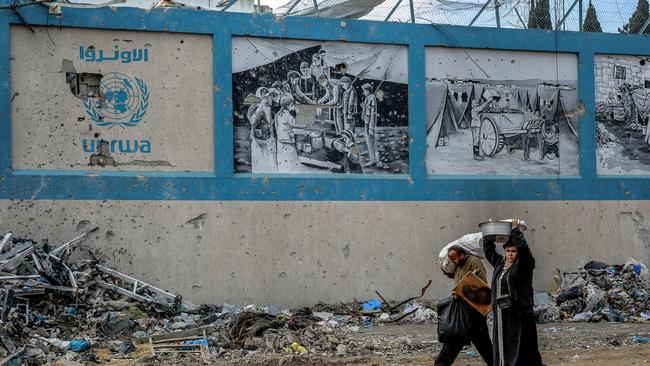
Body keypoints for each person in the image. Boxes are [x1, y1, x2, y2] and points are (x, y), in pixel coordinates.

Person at [484, 223, 544, 366]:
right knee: (503, 344)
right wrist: (488, 235)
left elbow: (524, 249)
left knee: (522, 346)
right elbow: (488, 251)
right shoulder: (500, 264)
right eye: (508, 251)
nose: (510, 254)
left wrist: (516, 231)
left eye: (514, 251)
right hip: (501, 314)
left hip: (519, 314)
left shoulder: (524, 266)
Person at [434, 246, 493, 366]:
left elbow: (481, 286)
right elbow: (457, 277)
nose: (452, 261)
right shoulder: (459, 264)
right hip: (462, 309)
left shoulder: (473, 261)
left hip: (474, 311)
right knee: (455, 341)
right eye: (450, 259)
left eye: (454, 258)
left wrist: (463, 289)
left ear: (461, 255)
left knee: (482, 343)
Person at [361, 83, 378, 167]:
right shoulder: (367, 98)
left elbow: (373, 114)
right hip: (366, 122)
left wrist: (371, 127)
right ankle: (372, 159)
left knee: (370, 142)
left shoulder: (372, 98)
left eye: (364, 91)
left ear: (368, 90)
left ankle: (373, 161)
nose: (363, 92)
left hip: (370, 123)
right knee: (368, 142)